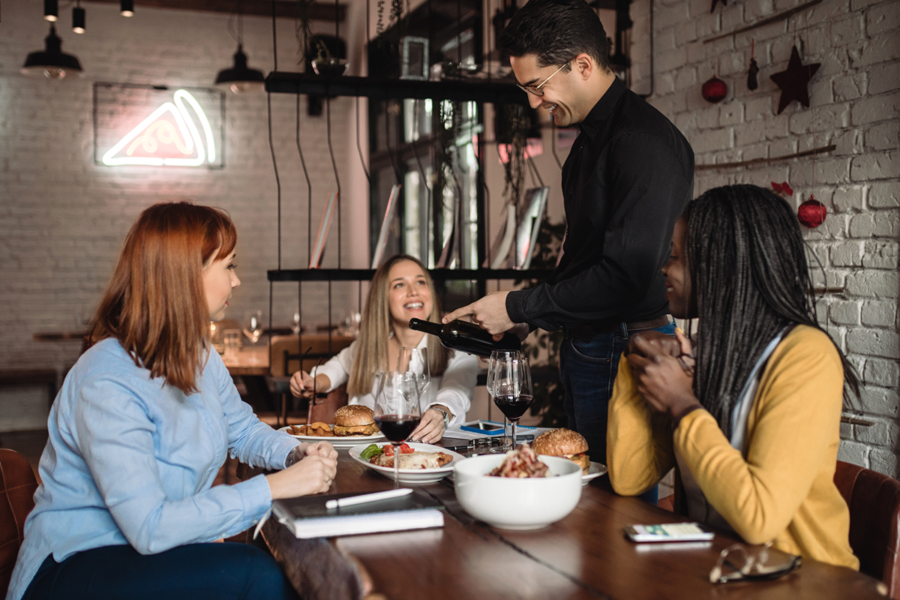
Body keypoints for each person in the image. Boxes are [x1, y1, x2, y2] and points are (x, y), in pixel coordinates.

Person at [8, 202, 338, 600]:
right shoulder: (106, 380)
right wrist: (275, 487)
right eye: (229, 266)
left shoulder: (199, 353)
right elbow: (150, 526)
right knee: (259, 575)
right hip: (75, 566)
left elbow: (243, 429)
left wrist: (295, 454)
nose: (236, 282)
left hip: (149, 554)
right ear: (187, 275)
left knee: (261, 566)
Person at [442, 0, 694, 468]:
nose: (533, 102)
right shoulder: (587, 146)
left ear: (582, 64)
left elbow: (626, 277)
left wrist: (519, 305)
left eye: (537, 86)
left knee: (611, 501)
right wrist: (526, 318)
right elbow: (584, 262)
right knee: (578, 486)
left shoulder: (642, 143)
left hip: (625, 347)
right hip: (591, 346)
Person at [607, 185, 860, 569]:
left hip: (803, 580)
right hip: (717, 570)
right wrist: (635, 359)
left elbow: (761, 517)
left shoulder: (806, 355)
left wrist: (683, 404)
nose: (663, 269)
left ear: (718, 264)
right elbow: (628, 478)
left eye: (675, 257)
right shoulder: (705, 352)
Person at [290, 255, 478, 443]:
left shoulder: (456, 351)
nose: (413, 291)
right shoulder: (366, 349)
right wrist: (312, 383)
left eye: (420, 282)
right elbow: (335, 368)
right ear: (382, 298)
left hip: (427, 458)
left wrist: (440, 412)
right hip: (362, 458)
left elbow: (456, 393)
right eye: (399, 285)